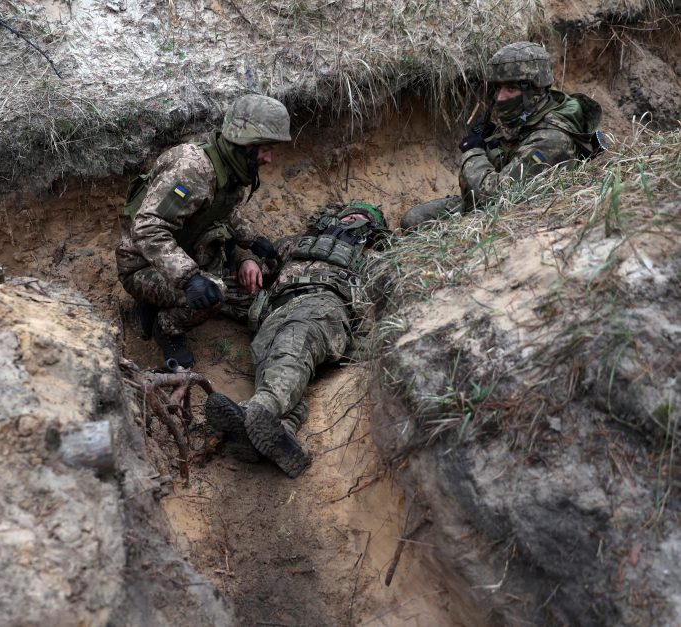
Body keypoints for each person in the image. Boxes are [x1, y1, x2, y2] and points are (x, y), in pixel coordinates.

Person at [204, 202, 391, 477]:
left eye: (362, 216)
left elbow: (386, 305)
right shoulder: (296, 244)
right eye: (348, 213)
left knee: (294, 340)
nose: (352, 217)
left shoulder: (374, 258)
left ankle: (259, 407)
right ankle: (282, 432)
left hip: (326, 305)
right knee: (270, 353)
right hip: (277, 308)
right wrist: (250, 262)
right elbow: (262, 262)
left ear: (371, 227)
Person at [115, 94, 292, 368]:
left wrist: (253, 241)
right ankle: (166, 329)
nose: (269, 158)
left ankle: (159, 302)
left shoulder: (231, 170)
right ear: (245, 143)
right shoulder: (192, 170)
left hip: (184, 252)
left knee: (254, 283)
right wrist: (189, 278)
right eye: (265, 148)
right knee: (214, 293)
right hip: (142, 265)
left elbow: (223, 211)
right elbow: (149, 227)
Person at [400, 41, 605, 230]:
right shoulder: (532, 114)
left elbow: (495, 197)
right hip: (499, 201)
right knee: (412, 219)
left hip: (514, 215)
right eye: (498, 88)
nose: (500, 97)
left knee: (416, 224)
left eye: (511, 88)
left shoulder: (551, 140)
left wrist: (473, 151)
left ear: (534, 90)